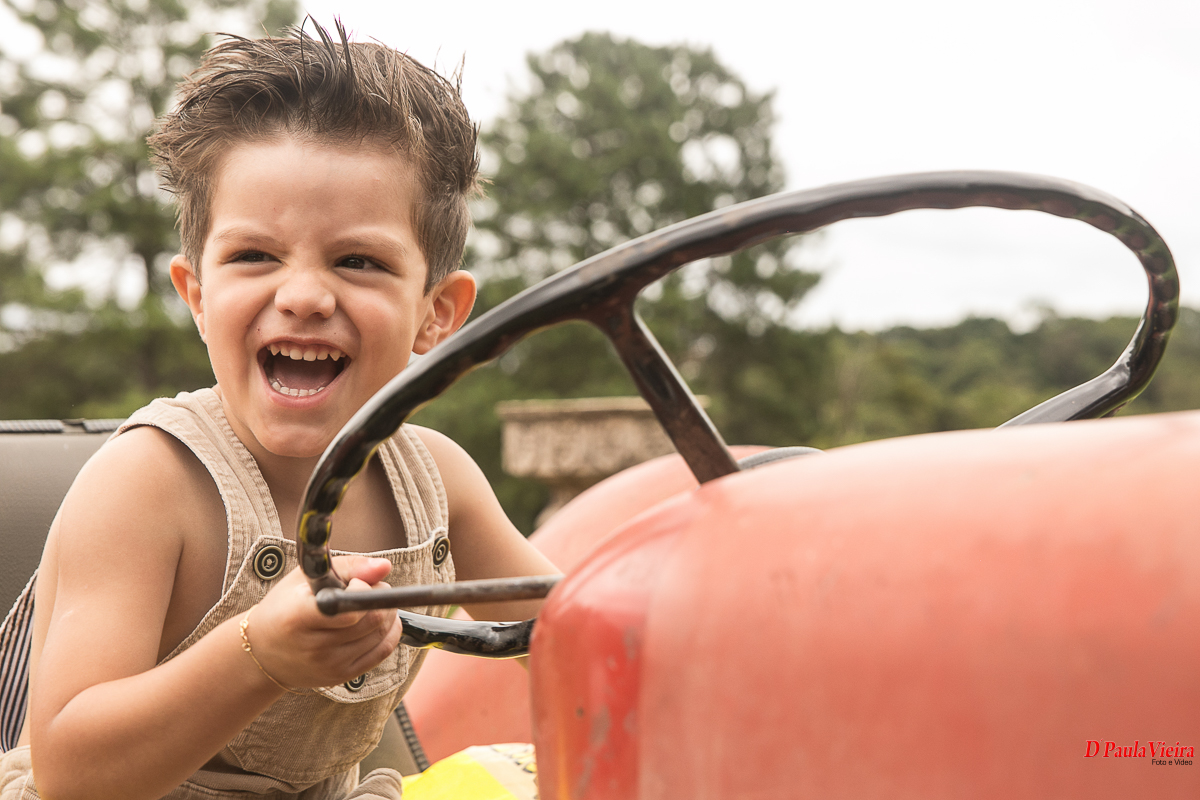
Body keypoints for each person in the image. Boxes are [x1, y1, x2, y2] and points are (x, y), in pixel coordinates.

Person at [0, 20, 558, 800]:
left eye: (357, 260)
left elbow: (577, 632)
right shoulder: (149, 484)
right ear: (197, 295)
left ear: (435, 313)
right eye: (254, 256)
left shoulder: (438, 486)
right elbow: (72, 774)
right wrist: (257, 654)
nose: (301, 296)